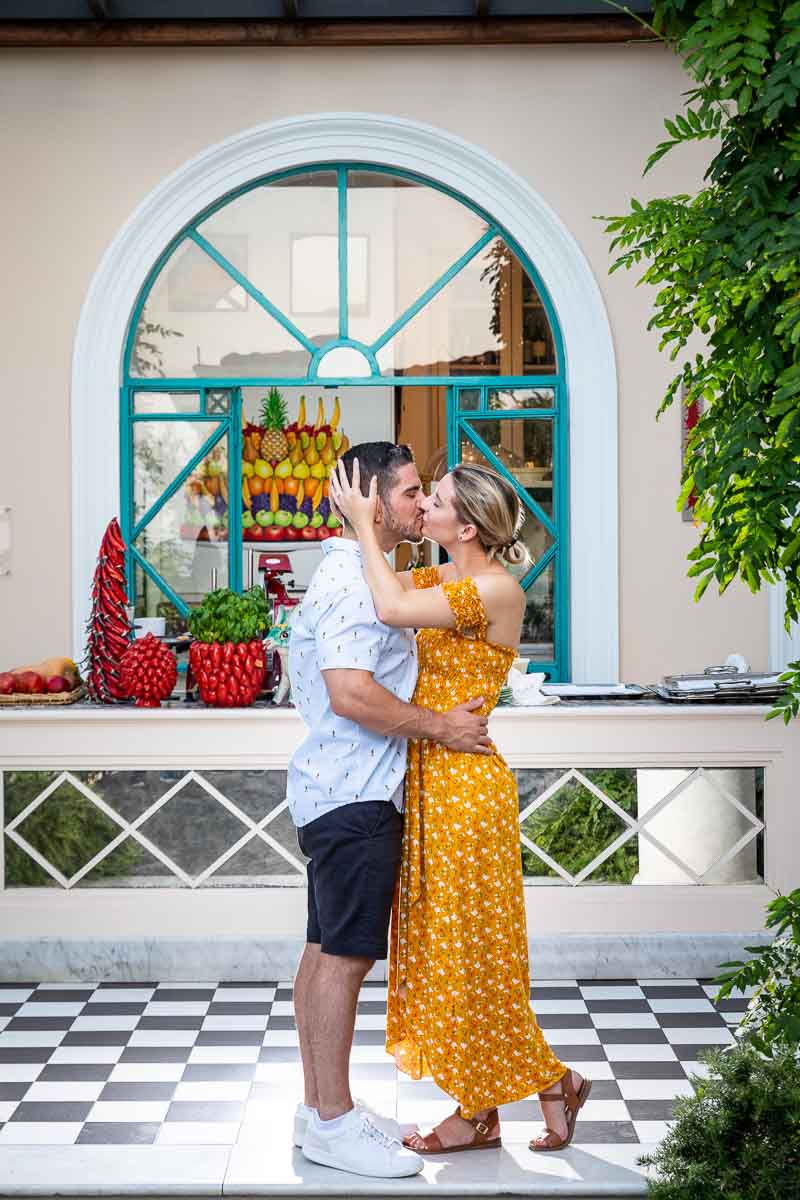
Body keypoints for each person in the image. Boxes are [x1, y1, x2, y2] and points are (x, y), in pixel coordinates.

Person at [329, 456, 592, 1155]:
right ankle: (528, 1093)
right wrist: (360, 527)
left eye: (434, 500)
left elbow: (387, 606)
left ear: (465, 525)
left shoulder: (495, 589)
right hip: (430, 777)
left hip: (467, 789)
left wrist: (363, 521)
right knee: (455, 956)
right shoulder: (444, 577)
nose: (423, 508)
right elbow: (371, 588)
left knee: (475, 956)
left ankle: (513, 1097)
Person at [286, 441, 493, 1179]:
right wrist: (442, 726)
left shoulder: (361, 569)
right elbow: (351, 692)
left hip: (336, 791)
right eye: (409, 492)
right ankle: (335, 1122)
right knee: (344, 957)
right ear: (373, 501)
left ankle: (319, 1112)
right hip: (358, 796)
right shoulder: (351, 583)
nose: (419, 503)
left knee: (322, 952)